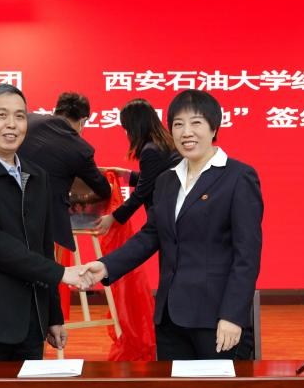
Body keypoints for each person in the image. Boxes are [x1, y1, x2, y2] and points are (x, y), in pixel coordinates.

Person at [84, 90, 263, 360]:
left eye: (196, 123)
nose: (186, 132)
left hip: (216, 320)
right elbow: (151, 235)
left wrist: (232, 315)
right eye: (178, 124)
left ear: (214, 127)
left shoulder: (239, 177)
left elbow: (247, 256)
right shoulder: (167, 180)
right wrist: (106, 266)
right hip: (170, 319)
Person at [0, 84, 90, 361]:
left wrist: (53, 316)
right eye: (1, 115)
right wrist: (61, 273)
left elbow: (44, 247)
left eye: (20, 116)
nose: (11, 124)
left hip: (30, 327)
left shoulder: (38, 176)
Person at [19, 92, 111, 251]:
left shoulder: (27, 120)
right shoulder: (80, 149)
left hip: (4, 211)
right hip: (44, 226)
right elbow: (103, 189)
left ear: (57, 110)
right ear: (83, 121)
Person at [93, 98, 181, 235]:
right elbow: (155, 178)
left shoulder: (151, 150)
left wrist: (112, 217)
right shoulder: (166, 142)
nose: (127, 133)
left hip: (169, 219)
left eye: (126, 128)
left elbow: (141, 192)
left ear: (134, 127)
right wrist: (125, 174)